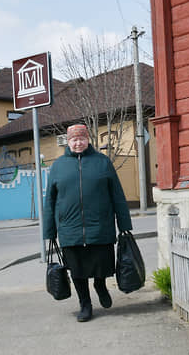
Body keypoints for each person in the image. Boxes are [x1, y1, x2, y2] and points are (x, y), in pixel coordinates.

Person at [43, 124, 133, 322]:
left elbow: (117, 195)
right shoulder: (58, 166)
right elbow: (49, 200)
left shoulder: (102, 162)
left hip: (100, 227)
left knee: (102, 265)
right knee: (77, 271)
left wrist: (125, 224)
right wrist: (49, 231)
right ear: (68, 141)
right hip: (70, 230)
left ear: (88, 140)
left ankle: (100, 286)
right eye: (74, 140)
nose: (78, 143)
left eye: (81, 139)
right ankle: (85, 304)